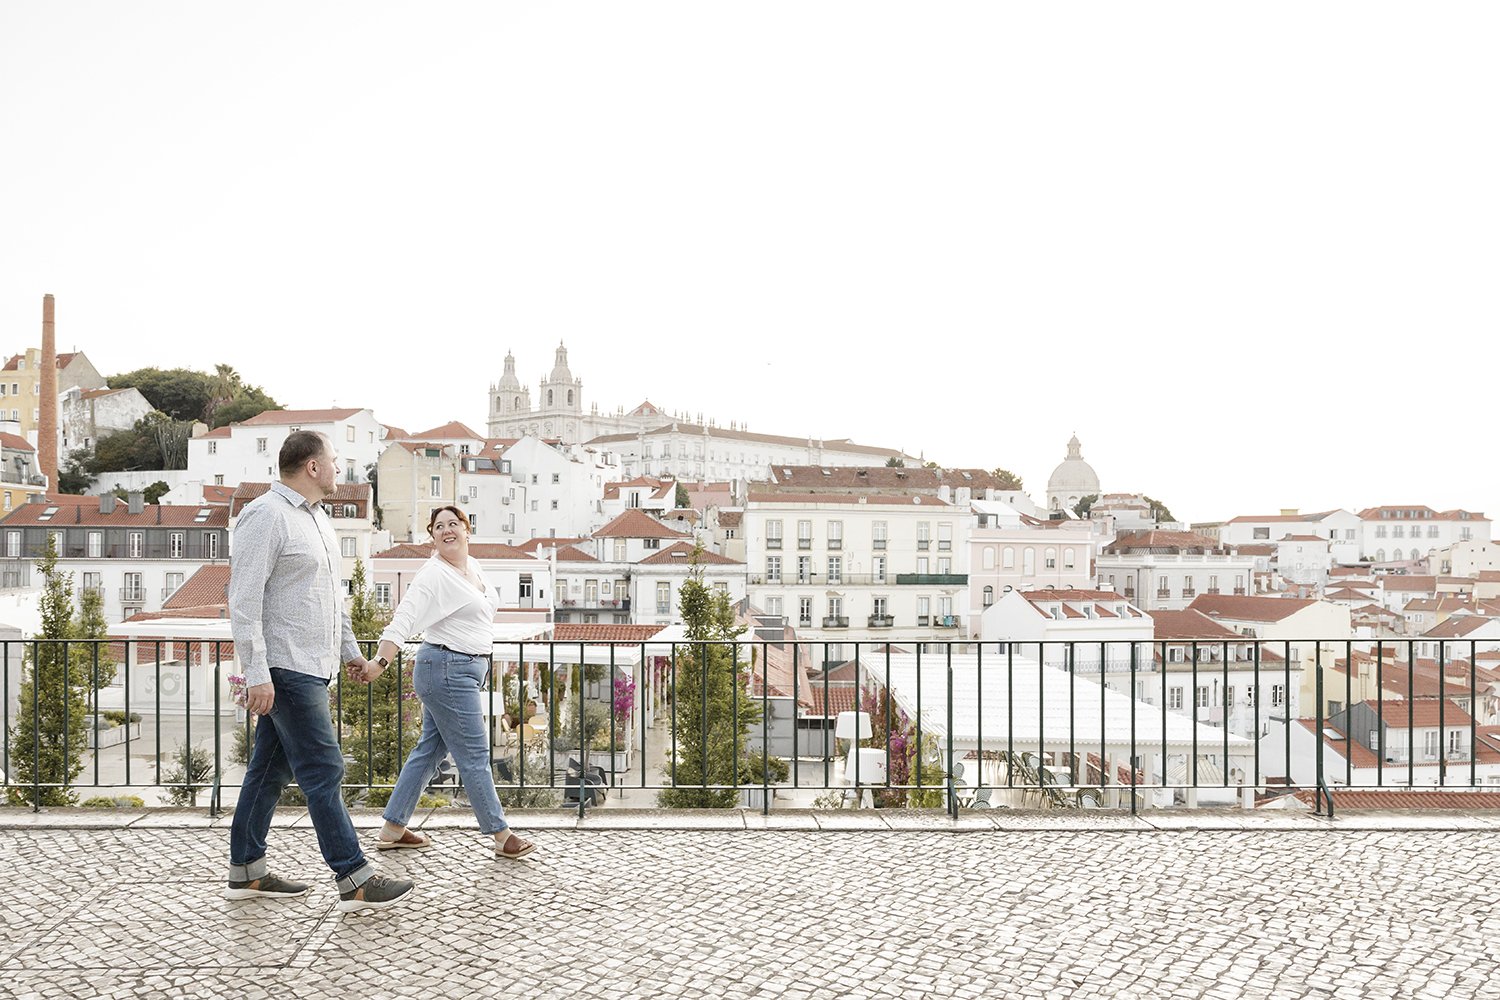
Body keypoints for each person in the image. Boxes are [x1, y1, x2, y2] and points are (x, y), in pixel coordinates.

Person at [226, 430, 414, 913]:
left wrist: (351, 652)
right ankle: (353, 876)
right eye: (333, 461)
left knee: (269, 768)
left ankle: (246, 869)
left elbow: (332, 601)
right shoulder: (265, 515)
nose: (339, 470)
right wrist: (257, 673)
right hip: (285, 666)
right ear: (312, 467)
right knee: (324, 768)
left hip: (313, 664)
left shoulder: (318, 520)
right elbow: (243, 602)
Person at [352, 504, 534, 861]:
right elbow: (403, 618)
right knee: (475, 755)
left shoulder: (473, 567)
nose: (447, 530)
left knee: (430, 750)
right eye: (439, 527)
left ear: (468, 530)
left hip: (460, 669)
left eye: (454, 524)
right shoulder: (432, 574)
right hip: (447, 669)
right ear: (432, 536)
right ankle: (501, 835)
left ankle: (392, 828)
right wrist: (379, 662)